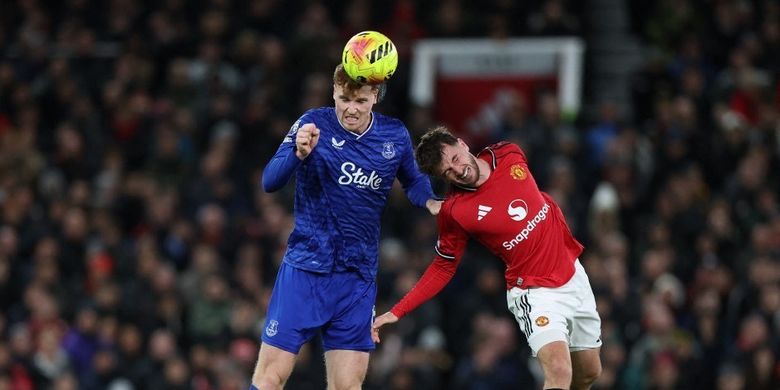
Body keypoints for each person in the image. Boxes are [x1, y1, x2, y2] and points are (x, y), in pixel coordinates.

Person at [251, 64, 441, 390]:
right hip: (306, 270)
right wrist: (298, 153)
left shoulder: (393, 135)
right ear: (333, 93)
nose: (351, 109)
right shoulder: (313, 123)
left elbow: (413, 181)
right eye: (343, 99)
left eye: (361, 101)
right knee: (270, 378)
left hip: (357, 278)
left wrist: (432, 202)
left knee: (347, 387)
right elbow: (270, 181)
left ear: (375, 98)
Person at [372, 126, 602, 390]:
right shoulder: (455, 211)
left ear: (462, 143)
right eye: (447, 171)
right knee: (560, 370)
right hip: (534, 292)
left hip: (573, 275)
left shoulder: (508, 153)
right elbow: (442, 268)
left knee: (589, 373)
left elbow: (534, 196)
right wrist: (397, 312)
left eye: (455, 159)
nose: (457, 170)